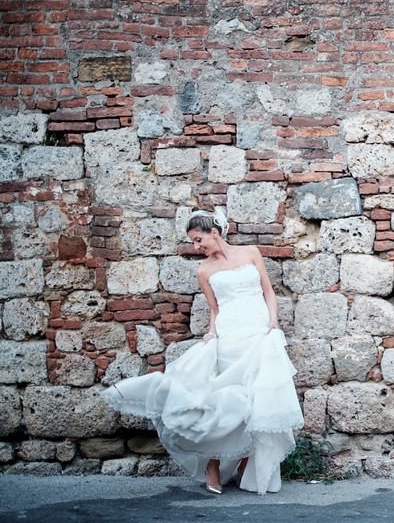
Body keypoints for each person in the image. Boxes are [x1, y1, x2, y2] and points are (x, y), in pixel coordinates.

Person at [102, 208, 303, 495]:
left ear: (215, 233)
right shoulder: (204, 270)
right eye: (193, 243)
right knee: (224, 402)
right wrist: (211, 332)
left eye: (198, 240)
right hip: (230, 334)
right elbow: (214, 309)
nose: (197, 247)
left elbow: (268, 291)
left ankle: (248, 460)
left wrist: (273, 321)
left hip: (259, 332)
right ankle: (213, 464)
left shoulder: (250, 252)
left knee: (256, 401)